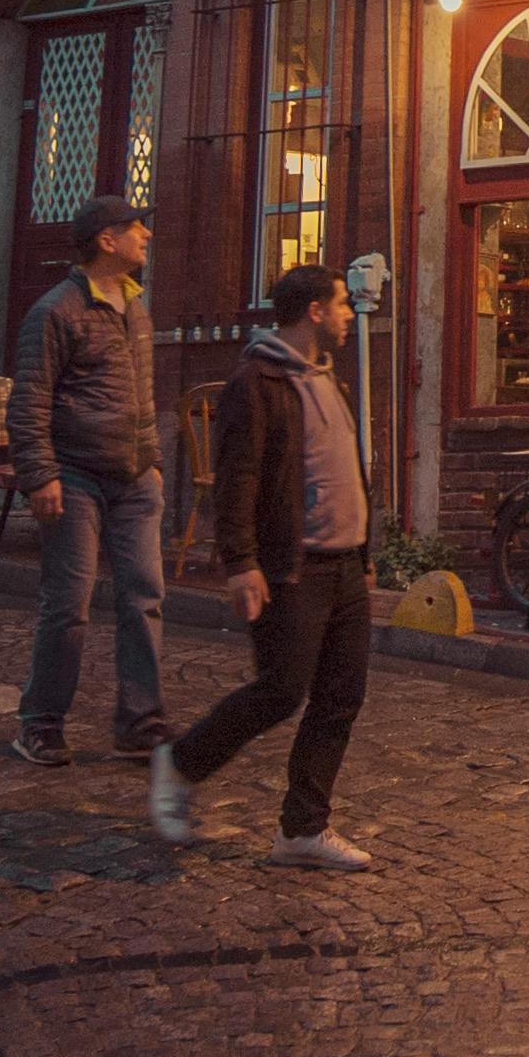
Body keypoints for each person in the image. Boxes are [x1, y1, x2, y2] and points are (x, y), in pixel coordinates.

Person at [149, 263, 378, 861]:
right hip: (292, 566)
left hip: (346, 565)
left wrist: (366, 550)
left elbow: (348, 473)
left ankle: (302, 829)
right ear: (314, 312)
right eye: (342, 305)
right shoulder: (258, 381)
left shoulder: (332, 380)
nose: (351, 315)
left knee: (341, 697)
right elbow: (238, 479)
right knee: (280, 690)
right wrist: (242, 562)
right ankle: (178, 765)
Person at [8, 195, 168, 765]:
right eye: (135, 227)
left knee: (144, 598)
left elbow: (140, 395)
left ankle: (140, 722)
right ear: (107, 240)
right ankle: (41, 721)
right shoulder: (57, 311)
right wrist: (41, 475)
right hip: (74, 478)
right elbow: (29, 398)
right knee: (68, 604)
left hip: (133, 480)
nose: (146, 235)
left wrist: (150, 460)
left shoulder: (135, 305)